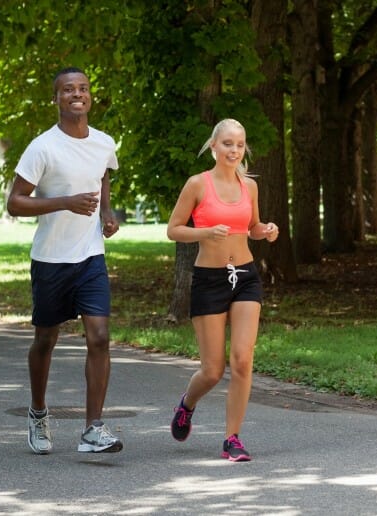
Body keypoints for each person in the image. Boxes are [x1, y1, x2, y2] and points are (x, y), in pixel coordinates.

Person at [7, 67, 123, 455]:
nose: (78, 94)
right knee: (46, 340)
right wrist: (65, 203)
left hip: (90, 256)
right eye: (68, 89)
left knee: (101, 337)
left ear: (91, 96)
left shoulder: (104, 142)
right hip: (51, 259)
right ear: (56, 99)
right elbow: (15, 202)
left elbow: (103, 176)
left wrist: (106, 212)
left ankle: (93, 429)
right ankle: (38, 412)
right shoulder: (43, 147)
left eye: (84, 88)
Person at [166, 118, 279, 462]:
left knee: (243, 360)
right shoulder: (197, 184)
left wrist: (266, 230)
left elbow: (253, 227)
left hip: (245, 276)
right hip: (209, 280)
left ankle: (232, 438)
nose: (234, 150)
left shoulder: (250, 187)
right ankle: (187, 404)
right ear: (213, 146)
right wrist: (203, 233)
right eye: (227, 143)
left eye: (240, 144)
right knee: (213, 370)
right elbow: (173, 230)